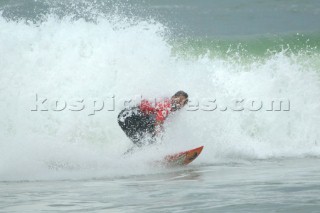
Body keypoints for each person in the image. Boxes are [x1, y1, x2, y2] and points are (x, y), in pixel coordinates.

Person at [118, 91, 188, 148]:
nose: (180, 103)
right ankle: (152, 153)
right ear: (173, 97)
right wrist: (159, 144)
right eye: (179, 100)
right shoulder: (167, 106)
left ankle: (127, 158)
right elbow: (158, 124)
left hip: (126, 116)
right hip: (129, 116)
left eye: (183, 102)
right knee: (148, 139)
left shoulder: (167, 103)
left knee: (142, 142)